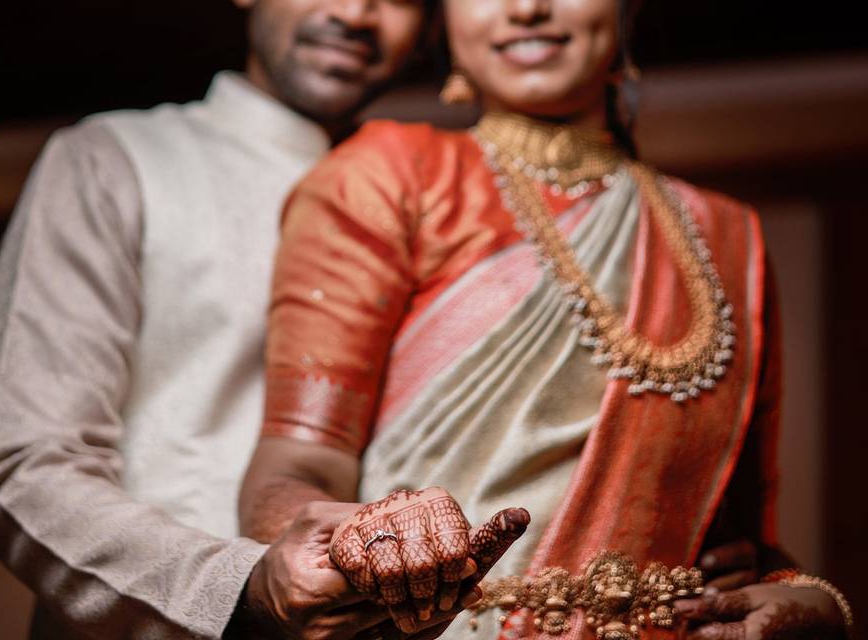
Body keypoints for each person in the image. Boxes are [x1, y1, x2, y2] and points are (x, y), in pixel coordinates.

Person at [239, 0, 853, 639]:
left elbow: (745, 545)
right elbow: (296, 468)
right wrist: (367, 541)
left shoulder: (727, 236)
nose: (527, 9)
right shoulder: (386, 174)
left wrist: (813, 604)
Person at [0, 1, 484, 638]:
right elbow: (30, 474)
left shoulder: (446, 200)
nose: (355, 13)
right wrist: (239, 586)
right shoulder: (116, 159)